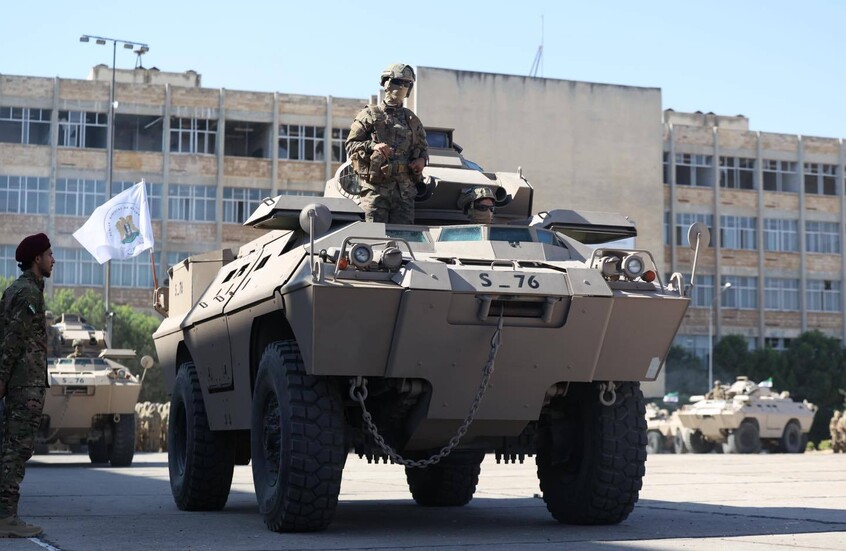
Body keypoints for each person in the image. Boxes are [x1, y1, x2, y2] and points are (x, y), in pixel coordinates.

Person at [0, 233, 54, 537]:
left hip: (21, 382)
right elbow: (12, 339)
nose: (53, 260)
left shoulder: (14, 290)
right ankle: (6, 517)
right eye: (49, 255)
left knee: (11, 447)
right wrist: (3, 378)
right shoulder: (28, 293)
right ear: (37, 259)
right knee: (17, 450)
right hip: (25, 384)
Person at [345, 63, 428, 224]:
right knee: (373, 235)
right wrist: (373, 146)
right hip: (376, 191)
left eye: (406, 83)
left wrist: (422, 160)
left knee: (404, 236)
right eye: (398, 82)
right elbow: (351, 144)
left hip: (404, 192)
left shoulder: (412, 119)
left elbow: (423, 148)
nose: (402, 87)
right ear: (387, 83)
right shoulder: (368, 115)